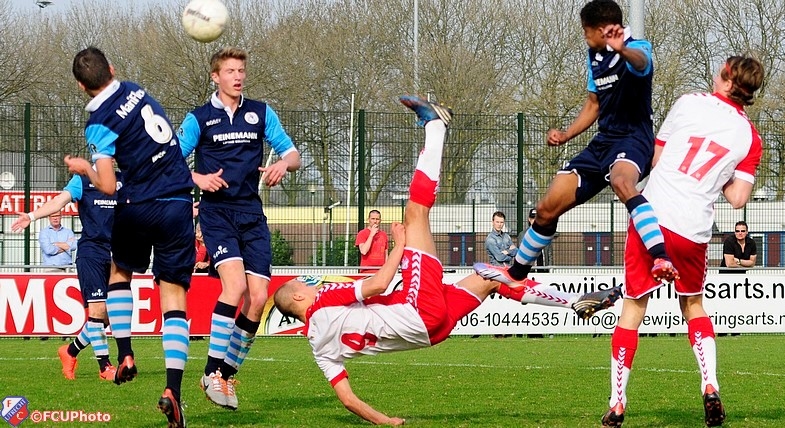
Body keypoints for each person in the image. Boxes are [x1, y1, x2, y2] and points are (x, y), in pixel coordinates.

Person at [273, 95, 622, 426]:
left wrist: (387, 421)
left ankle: (574, 302)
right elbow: (378, 283)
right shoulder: (324, 302)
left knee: (491, 278)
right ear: (299, 298)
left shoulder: (319, 349)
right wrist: (399, 244)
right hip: (418, 310)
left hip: (430, 333)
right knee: (414, 213)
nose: (309, 284)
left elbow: (348, 399)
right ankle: (435, 127)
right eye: (302, 284)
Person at [600, 55, 764, 428]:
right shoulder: (749, 137)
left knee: (633, 308)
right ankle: (709, 384)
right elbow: (738, 198)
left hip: (652, 217)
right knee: (692, 306)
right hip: (694, 228)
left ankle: (617, 404)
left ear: (725, 76)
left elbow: (656, 157)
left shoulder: (689, 102)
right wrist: (719, 173)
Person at [475, 0, 677, 286]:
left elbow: (642, 64)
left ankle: (660, 257)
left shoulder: (638, 47)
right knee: (546, 208)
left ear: (602, 30)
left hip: (634, 139)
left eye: (586, 31)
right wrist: (567, 134)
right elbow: (593, 104)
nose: (584, 36)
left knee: (622, 182)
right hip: (602, 142)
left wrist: (622, 50)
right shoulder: (593, 56)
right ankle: (516, 275)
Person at [64, 46, 194, 427]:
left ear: (80, 85)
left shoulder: (99, 122)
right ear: (113, 69)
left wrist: (85, 166)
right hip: (178, 203)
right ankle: (173, 389)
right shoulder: (136, 89)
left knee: (120, 272)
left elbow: (106, 184)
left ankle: (125, 354)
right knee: (173, 296)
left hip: (138, 203)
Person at [177, 46, 301, 411]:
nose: (238, 76)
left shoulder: (260, 113)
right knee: (234, 287)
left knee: (259, 297)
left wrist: (283, 165)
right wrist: (197, 176)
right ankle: (212, 371)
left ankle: (226, 373)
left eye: (241, 70)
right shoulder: (198, 119)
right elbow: (170, 164)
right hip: (216, 214)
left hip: (251, 214)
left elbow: (293, 154)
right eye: (230, 70)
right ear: (215, 76)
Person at [12, 171, 121, 381]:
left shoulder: (124, 178)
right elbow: (58, 202)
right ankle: (104, 367)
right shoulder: (82, 180)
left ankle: (70, 351)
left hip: (117, 255)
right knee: (97, 310)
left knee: (107, 317)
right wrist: (32, 216)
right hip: (91, 253)